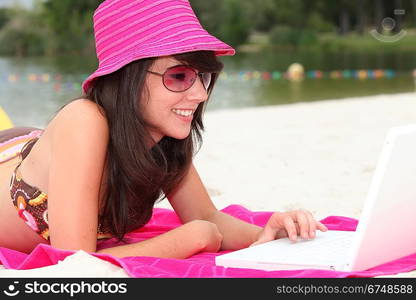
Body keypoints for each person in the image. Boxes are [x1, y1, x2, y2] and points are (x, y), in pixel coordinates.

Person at [0, 0, 327, 258]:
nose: (199, 94)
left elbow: (207, 217)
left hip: (41, 148)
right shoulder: (84, 119)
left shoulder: (164, 139)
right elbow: (73, 259)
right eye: (179, 76)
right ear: (128, 77)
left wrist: (266, 234)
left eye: (203, 77)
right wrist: (190, 239)